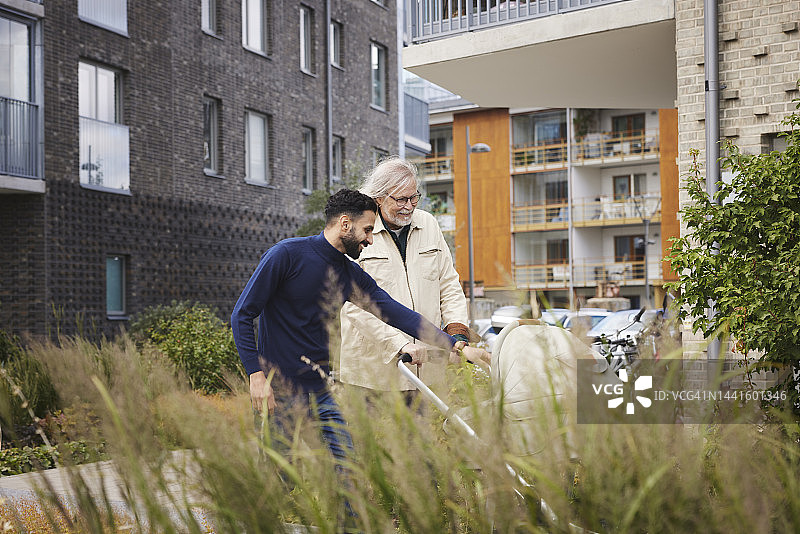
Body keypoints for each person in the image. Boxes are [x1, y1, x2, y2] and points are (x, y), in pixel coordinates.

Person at [231, 188, 488, 466]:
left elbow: (397, 314)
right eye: (366, 230)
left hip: (321, 392)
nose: (369, 238)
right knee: (278, 479)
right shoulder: (286, 255)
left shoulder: (349, 274)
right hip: (278, 391)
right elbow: (242, 315)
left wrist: (456, 345)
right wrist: (256, 376)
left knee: (348, 472)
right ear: (345, 224)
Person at [339, 157, 484, 401]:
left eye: (414, 197)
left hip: (429, 374)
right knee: (376, 439)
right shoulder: (356, 229)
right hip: (373, 376)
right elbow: (354, 305)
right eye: (401, 199)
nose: (409, 206)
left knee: (428, 439)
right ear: (379, 197)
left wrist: (457, 335)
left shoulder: (428, 224)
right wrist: (399, 345)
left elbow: (448, 285)